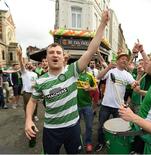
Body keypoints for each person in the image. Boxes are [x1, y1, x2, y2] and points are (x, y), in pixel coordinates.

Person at [24, 10, 110, 154]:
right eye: (51, 53)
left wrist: (102, 24)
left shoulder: (72, 71)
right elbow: (32, 101)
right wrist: (28, 120)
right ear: (46, 57)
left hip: (72, 127)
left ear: (64, 57)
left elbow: (90, 50)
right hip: (51, 130)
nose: (55, 55)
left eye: (58, 52)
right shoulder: (41, 81)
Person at [95, 52, 137, 152]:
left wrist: (137, 80)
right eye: (122, 58)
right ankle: (101, 142)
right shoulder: (111, 71)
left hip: (119, 106)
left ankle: (115, 144)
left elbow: (134, 85)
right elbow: (99, 77)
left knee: (118, 127)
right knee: (101, 126)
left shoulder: (127, 75)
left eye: (126, 59)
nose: (124, 60)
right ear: (117, 61)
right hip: (106, 105)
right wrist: (108, 67)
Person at [77, 68, 97, 153]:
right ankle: (77, 142)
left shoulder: (89, 75)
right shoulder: (74, 74)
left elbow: (96, 87)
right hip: (75, 105)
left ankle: (88, 142)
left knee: (89, 126)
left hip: (87, 105)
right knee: (75, 126)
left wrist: (90, 89)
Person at [16, 48, 38, 121]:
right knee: (27, 105)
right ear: (26, 66)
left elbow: (36, 82)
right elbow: (21, 65)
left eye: (30, 64)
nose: (29, 65)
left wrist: (36, 86)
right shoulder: (24, 72)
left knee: (35, 104)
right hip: (27, 93)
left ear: (33, 66)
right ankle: (28, 117)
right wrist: (20, 56)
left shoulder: (35, 74)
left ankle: (34, 115)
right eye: (28, 64)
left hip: (34, 92)